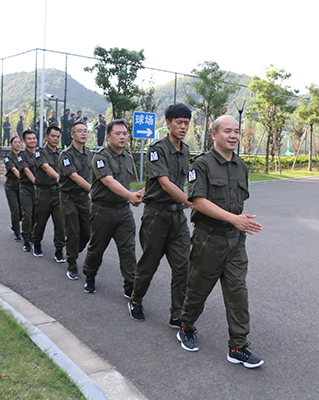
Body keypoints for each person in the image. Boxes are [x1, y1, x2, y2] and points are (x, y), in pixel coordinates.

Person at [177, 115, 264, 369]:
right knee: (198, 291)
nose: (233, 136)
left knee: (238, 294)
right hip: (209, 240)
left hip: (235, 241)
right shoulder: (201, 165)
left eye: (236, 131)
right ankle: (186, 327)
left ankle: (238, 346)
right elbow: (199, 202)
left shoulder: (241, 166)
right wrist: (233, 219)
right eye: (227, 131)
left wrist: (237, 222)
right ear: (214, 134)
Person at [128, 104, 193, 328]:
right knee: (149, 265)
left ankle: (177, 314)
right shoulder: (156, 149)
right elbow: (164, 183)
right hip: (156, 216)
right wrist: (192, 202)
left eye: (186, 123)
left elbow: (173, 182)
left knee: (183, 267)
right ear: (168, 123)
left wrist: (145, 189)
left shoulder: (185, 151)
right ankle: (136, 300)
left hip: (178, 217)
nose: (183, 127)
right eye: (179, 122)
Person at [82, 119, 144, 296]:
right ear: (108, 136)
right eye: (118, 133)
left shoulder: (128, 158)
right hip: (102, 210)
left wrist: (139, 194)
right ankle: (90, 276)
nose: (122, 137)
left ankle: (130, 286)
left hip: (123, 211)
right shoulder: (100, 157)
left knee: (128, 250)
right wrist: (131, 196)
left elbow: (126, 184)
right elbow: (108, 181)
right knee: (96, 248)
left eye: (124, 133)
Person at [58, 121, 93, 280]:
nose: (83, 133)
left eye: (85, 131)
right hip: (69, 197)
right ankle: (71, 264)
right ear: (72, 134)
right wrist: (93, 189)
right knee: (73, 231)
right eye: (79, 131)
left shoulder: (89, 154)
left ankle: (72, 250)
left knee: (87, 233)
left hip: (83, 198)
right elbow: (73, 176)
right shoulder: (66, 155)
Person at [31, 126, 66, 263]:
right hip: (44, 193)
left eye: (58, 136)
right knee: (40, 222)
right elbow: (45, 167)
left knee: (60, 223)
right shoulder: (40, 153)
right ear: (46, 137)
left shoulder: (62, 155)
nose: (56, 139)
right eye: (53, 136)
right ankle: (36, 243)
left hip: (58, 193)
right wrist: (58, 177)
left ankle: (59, 250)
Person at [18, 129, 38, 252]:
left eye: (34, 138)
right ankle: (26, 239)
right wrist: (36, 183)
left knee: (36, 215)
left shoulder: (40, 154)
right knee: (27, 214)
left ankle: (33, 237)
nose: (32, 141)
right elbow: (26, 170)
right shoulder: (21, 156)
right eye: (29, 139)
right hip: (26, 188)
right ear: (24, 141)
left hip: (39, 189)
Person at [4, 136, 22, 241]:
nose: (17, 144)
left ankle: (14, 225)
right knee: (15, 210)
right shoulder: (8, 157)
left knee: (22, 210)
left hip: (22, 187)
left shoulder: (23, 156)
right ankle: (17, 232)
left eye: (19, 142)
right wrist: (24, 178)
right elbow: (14, 170)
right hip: (11, 186)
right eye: (15, 142)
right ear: (11, 144)